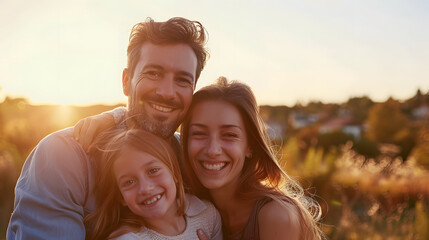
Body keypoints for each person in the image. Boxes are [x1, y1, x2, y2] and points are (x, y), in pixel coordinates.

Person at [7, 17, 208, 240]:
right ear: (126, 81)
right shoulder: (64, 156)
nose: (167, 92)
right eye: (153, 73)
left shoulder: (191, 159)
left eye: (182, 80)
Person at [180, 77, 324, 240]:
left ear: (250, 147)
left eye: (229, 135)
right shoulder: (191, 210)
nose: (213, 150)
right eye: (199, 133)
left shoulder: (275, 216)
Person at [85, 129, 222, 240]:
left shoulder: (207, 215)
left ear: (174, 173)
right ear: (121, 197)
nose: (145, 188)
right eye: (129, 182)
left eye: (153, 171)